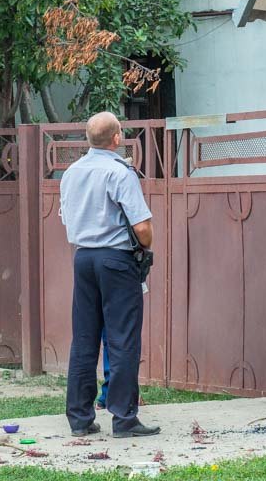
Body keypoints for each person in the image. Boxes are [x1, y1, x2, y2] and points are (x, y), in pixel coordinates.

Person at [60, 112, 159, 438]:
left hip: (83, 257)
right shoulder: (120, 172)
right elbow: (142, 227)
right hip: (116, 260)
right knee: (123, 338)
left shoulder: (71, 173)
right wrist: (146, 244)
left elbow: (67, 218)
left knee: (84, 338)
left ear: (89, 139)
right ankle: (124, 417)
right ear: (117, 139)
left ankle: (79, 417)